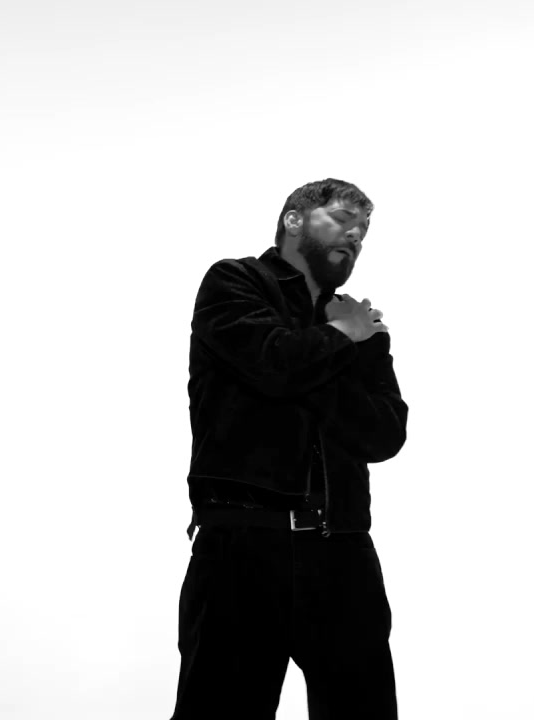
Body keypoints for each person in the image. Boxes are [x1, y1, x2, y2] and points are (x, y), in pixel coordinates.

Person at [170, 178, 408, 719]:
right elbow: (271, 363)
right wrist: (340, 339)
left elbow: (384, 434)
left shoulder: (360, 323)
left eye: (363, 230)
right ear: (294, 220)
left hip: (343, 550)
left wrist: (331, 343)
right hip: (242, 545)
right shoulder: (234, 282)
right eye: (342, 219)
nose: (355, 235)